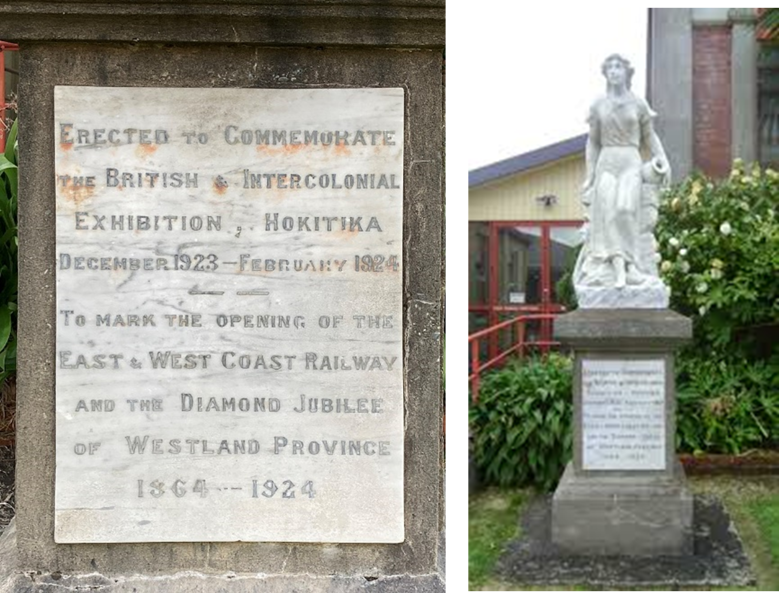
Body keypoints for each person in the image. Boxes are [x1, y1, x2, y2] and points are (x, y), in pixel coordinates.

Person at [574, 54, 670, 290]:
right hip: (607, 160)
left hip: (630, 159)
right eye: (610, 67)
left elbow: (649, 136)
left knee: (625, 210)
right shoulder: (598, 105)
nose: (614, 71)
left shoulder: (638, 103)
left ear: (627, 72)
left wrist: (663, 160)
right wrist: (590, 175)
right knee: (608, 213)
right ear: (605, 73)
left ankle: (633, 267)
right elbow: (593, 142)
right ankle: (619, 269)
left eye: (618, 67)